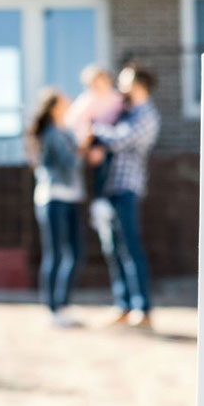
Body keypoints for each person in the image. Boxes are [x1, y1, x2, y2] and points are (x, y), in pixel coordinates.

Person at [91, 64, 160, 329]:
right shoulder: (127, 113)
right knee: (113, 248)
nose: (121, 87)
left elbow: (119, 140)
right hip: (111, 187)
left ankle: (142, 308)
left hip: (127, 188)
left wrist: (95, 127)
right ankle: (124, 304)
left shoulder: (147, 115)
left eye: (125, 81)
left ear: (138, 84)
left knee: (130, 247)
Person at [26, 87, 84, 328]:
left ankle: (63, 305)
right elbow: (71, 162)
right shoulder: (51, 134)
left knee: (76, 253)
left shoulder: (66, 132)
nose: (69, 101)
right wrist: (86, 145)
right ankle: (52, 308)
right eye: (64, 100)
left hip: (71, 197)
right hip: (53, 198)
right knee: (56, 253)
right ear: (54, 107)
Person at [66, 64, 123, 238]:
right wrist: (89, 144)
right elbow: (74, 122)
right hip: (94, 140)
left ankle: (104, 203)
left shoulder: (116, 99)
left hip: (113, 140)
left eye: (102, 81)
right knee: (100, 172)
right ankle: (99, 204)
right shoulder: (87, 101)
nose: (99, 86)